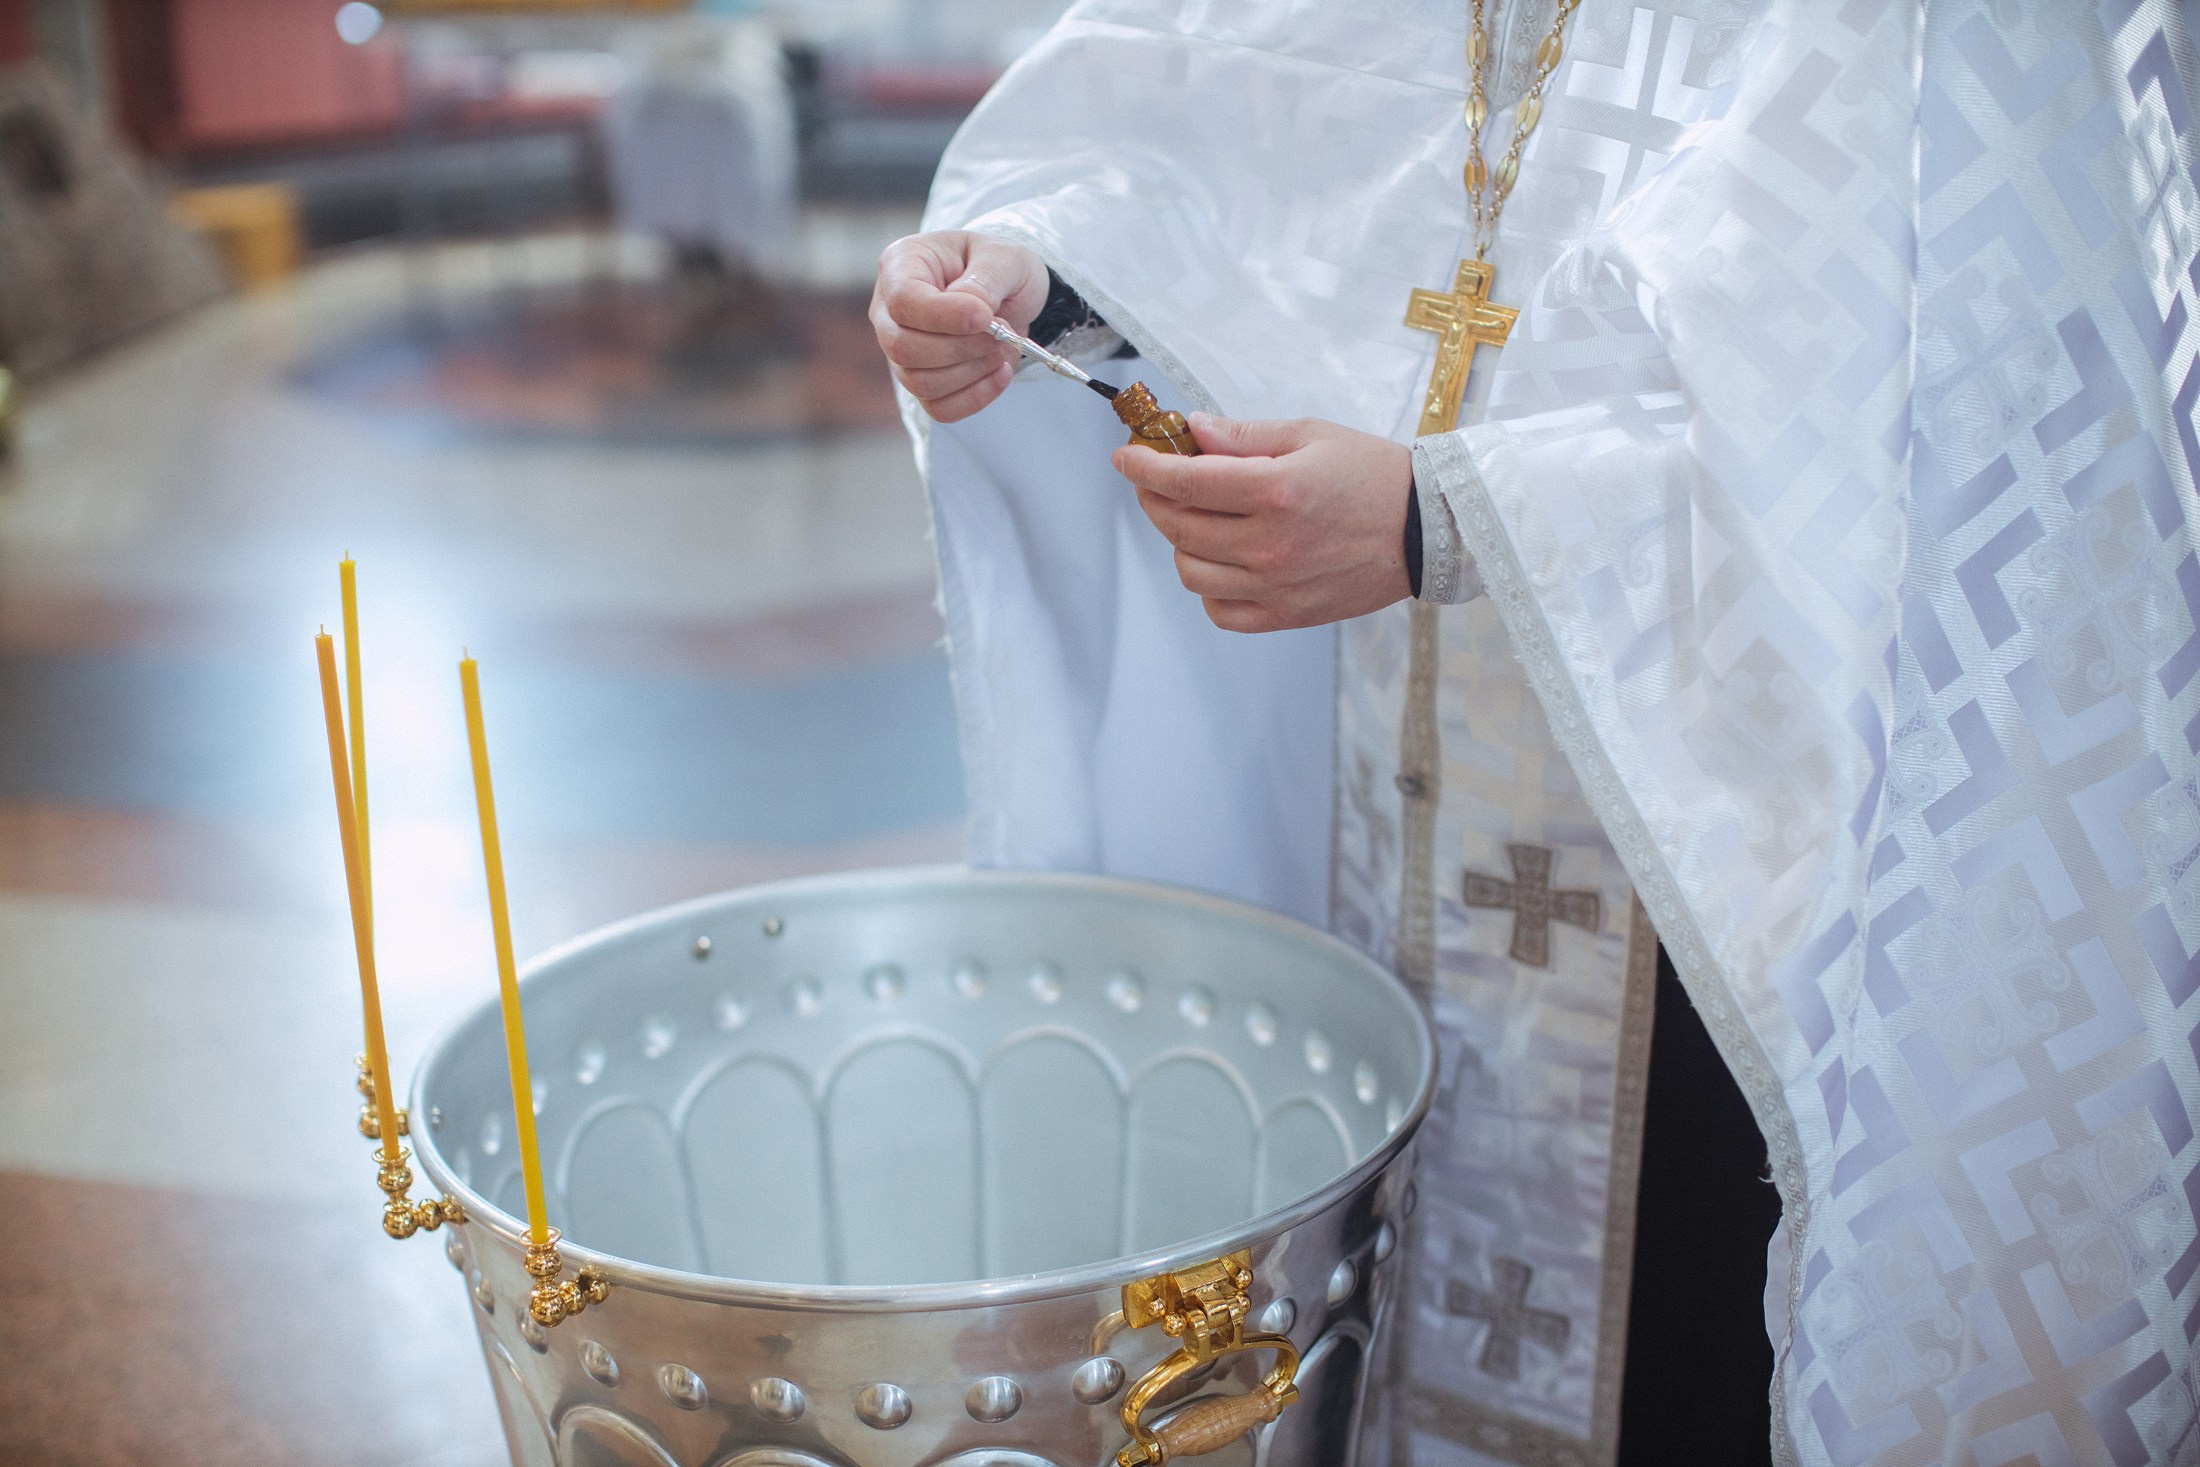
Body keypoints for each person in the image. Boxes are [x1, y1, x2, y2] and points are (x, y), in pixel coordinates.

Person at [872, 3, 2200, 1462]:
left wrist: (1450, 521)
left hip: (1734, 885)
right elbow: (1249, 112)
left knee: (1688, 1367)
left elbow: (1985, 398)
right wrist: (1041, 282)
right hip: (1390, 793)